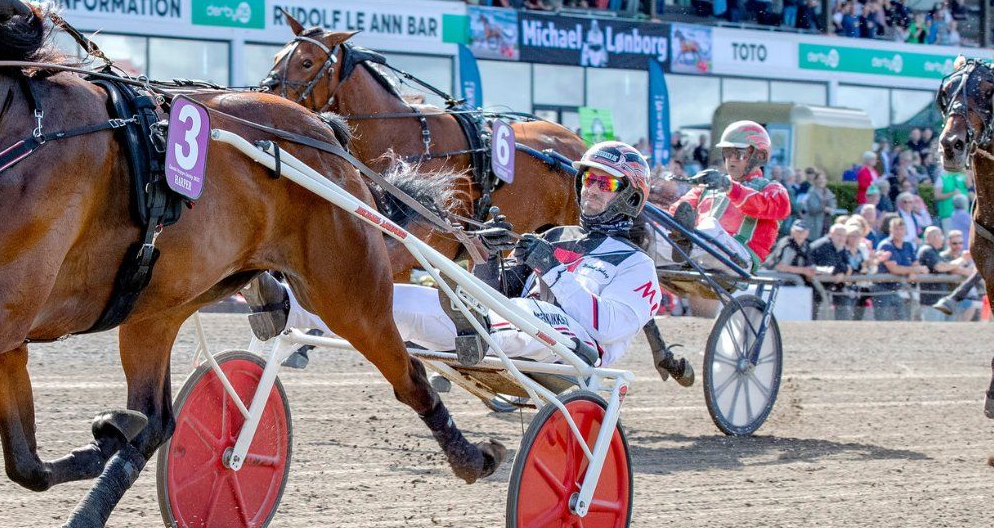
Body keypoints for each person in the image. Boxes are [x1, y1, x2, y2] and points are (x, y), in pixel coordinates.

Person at [242, 141, 692, 386]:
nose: (592, 189)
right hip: (502, 332)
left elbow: (609, 326)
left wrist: (552, 270)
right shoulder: (557, 237)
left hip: (576, 358)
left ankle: (476, 332)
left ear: (630, 196)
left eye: (606, 183)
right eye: (589, 179)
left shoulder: (637, 267)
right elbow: (497, 293)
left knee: (529, 316)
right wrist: (489, 257)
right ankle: (289, 310)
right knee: (404, 299)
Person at [667, 120, 792, 270]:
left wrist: (729, 187)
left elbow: (764, 206)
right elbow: (676, 212)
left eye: (739, 154)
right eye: (727, 152)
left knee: (710, 225)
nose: (731, 159)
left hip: (741, 258)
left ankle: (688, 248)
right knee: (656, 231)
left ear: (759, 156)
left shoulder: (772, 189)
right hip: (704, 252)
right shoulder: (708, 187)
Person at [870, 216, 925, 321]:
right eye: (896, 229)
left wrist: (914, 271)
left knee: (902, 320)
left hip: (898, 289)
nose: (899, 232)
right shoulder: (886, 245)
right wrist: (914, 270)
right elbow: (894, 269)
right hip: (883, 288)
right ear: (890, 229)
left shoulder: (908, 245)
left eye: (901, 229)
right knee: (883, 320)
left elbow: (915, 264)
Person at [808, 222, 855, 320]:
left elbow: (848, 266)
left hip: (829, 285)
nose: (842, 238)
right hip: (813, 286)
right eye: (838, 235)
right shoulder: (824, 245)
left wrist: (842, 272)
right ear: (831, 234)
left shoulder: (840, 246)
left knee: (843, 305)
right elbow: (832, 268)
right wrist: (843, 270)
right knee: (814, 317)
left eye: (844, 236)